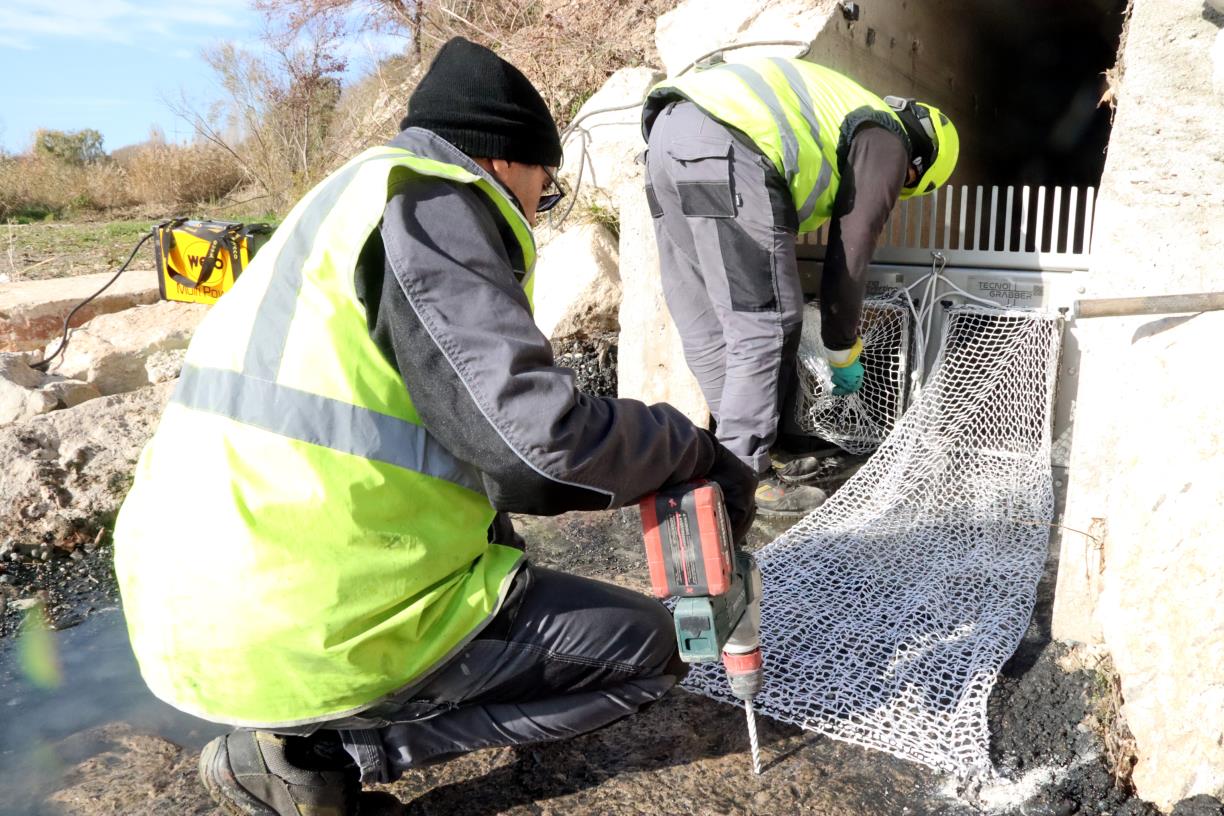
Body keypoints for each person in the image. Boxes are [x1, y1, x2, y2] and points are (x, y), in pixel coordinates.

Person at [113, 37, 757, 816]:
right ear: (507, 163)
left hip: (185, 615)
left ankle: (309, 726)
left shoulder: (339, 205)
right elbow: (538, 450)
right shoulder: (436, 199)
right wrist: (688, 446)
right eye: (543, 192)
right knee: (651, 653)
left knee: (503, 560)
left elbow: (440, 428)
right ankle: (340, 752)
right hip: (297, 627)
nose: (535, 212)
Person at [642, 57, 959, 515]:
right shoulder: (886, 137)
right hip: (728, 144)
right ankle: (743, 480)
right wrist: (841, 347)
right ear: (919, 161)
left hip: (666, 139)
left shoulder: (845, 106)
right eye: (907, 183)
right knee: (766, 323)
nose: (897, 187)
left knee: (711, 320)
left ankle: (755, 451)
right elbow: (851, 251)